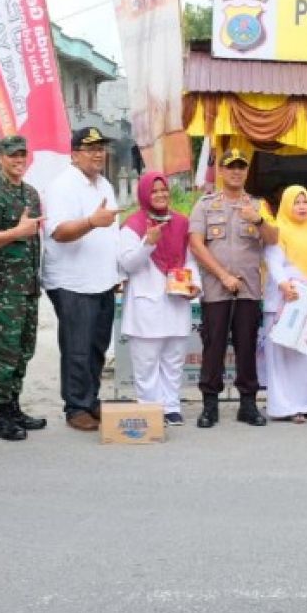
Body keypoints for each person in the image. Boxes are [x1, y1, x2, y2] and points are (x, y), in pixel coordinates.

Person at [188, 147, 279, 428]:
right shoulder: (205, 205)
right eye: (231, 167)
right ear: (222, 171)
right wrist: (223, 275)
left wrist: (259, 220)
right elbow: (196, 243)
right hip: (216, 288)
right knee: (213, 346)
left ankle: (248, 405)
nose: (236, 171)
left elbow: (273, 239)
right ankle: (210, 405)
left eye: (241, 167)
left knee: (247, 346)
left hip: (249, 289)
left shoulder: (257, 205)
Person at [43, 127, 122, 433]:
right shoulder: (63, 185)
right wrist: (91, 221)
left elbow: (112, 234)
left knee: (97, 346)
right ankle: (76, 406)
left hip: (101, 279)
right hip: (72, 281)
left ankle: (91, 399)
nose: (98, 153)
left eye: (101, 148)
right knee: (77, 346)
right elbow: (60, 232)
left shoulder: (105, 185)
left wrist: (117, 272)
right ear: (74, 154)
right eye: (90, 148)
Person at [0, 135, 47, 441]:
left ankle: (14, 406)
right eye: (12, 155)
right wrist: (17, 231)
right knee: (3, 351)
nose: (18, 160)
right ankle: (0, 415)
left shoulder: (30, 194)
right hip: (4, 289)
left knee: (23, 351)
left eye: (22, 155)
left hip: (27, 285)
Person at [118, 172, 200, 426]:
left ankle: (171, 406)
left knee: (174, 359)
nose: (160, 195)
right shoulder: (133, 225)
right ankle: (150, 407)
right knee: (146, 361)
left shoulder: (181, 223)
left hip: (176, 300)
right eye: (154, 191)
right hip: (146, 305)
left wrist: (195, 283)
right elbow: (126, 263)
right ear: (144, 194)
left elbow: (191, 259)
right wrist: (148, 244)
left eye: (163, 190)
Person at [263, 185, 307, 423]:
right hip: (287, 297)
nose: (302, 207)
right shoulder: (278, 229)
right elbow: (273, 261)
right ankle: (286, 406)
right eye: (296, 202)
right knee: (284, 354)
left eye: (306, 202)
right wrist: (283, 284)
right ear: (285, 205)